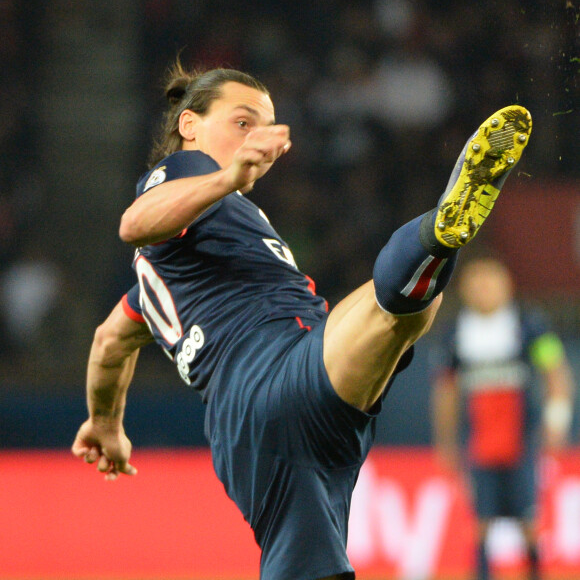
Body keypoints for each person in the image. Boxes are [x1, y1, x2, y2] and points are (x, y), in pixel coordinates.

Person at [72, 61, 533, 580]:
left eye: (267, 126)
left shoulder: (162, 281)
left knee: (399, 314)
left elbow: (110, 341)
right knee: (394, 313)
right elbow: (135, 223)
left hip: (288, 407)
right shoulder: (186, 172)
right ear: (189, 125)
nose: (259, 136)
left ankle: (440, 233)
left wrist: (105, 422)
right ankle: (435, 233)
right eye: (242, 121)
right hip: (266, 374)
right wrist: (226, 177)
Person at [431, 257, 574, 580]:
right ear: (464, 290)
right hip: (478, 442)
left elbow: (556, 371)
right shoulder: (455, 334)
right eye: (476, 282)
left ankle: (535, 572)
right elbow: (446, 390)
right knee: (480, 520)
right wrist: (446, 442)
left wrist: (556, 420)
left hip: (521, 441)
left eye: (490, 281)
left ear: (507, 285)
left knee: (529, 520)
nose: (483, 289)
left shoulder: (528, 324)